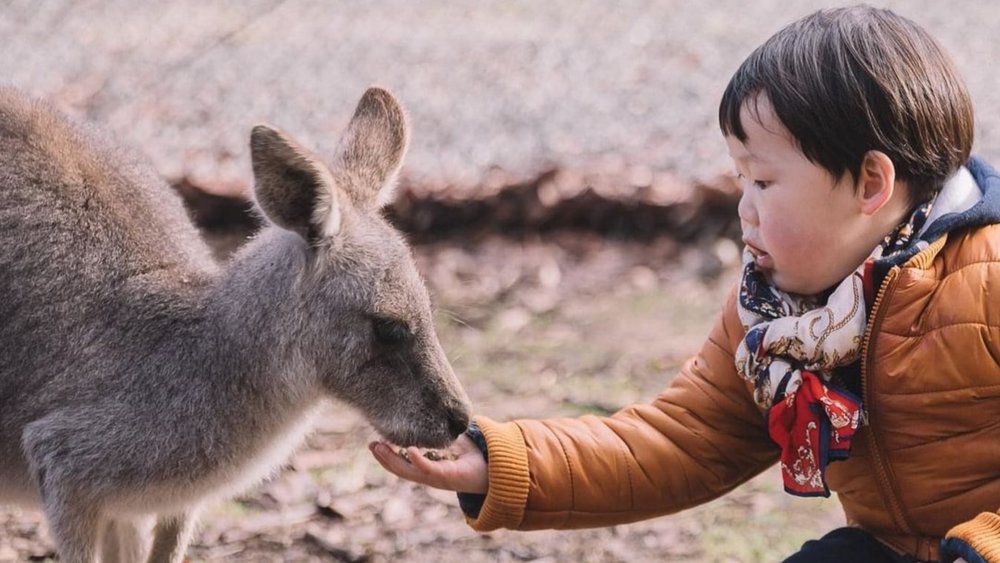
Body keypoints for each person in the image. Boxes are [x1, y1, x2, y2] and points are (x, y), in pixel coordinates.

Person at [370, 6, 1000, 562]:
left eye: (764, 182)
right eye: (738, 180)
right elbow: (684, 441)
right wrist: (505, 461)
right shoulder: (777, 315)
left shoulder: (986, 281)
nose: (743, 209)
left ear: (870, 185)